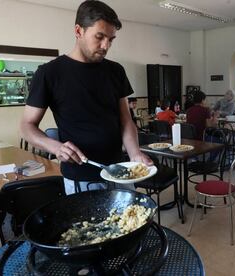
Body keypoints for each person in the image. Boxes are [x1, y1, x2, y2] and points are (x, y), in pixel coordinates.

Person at [19, 0, 152, 195]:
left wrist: (135, 154)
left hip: (119, 170)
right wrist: (55, 146)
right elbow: (26, 126)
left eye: (111, 39)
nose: (105, 45)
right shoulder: (49, 73)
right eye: (99, 36)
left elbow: (126, 120)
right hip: (81, 176)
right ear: (78, 31)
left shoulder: (115, 71)